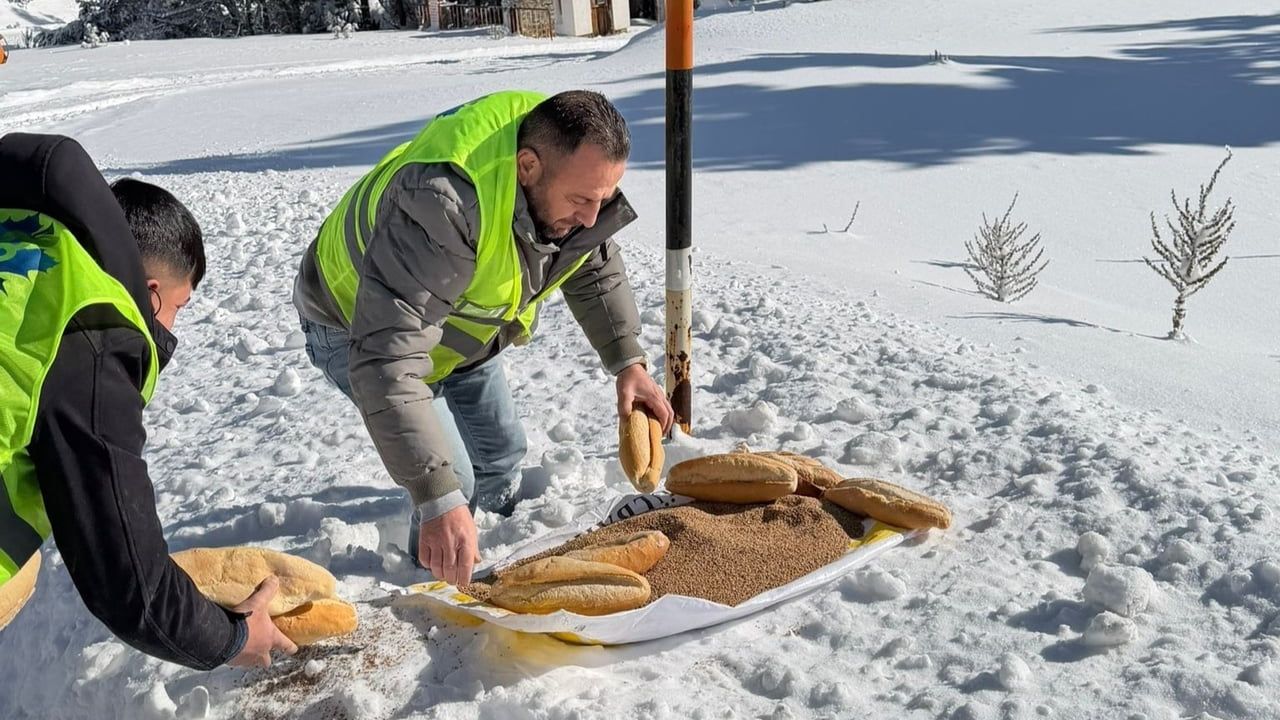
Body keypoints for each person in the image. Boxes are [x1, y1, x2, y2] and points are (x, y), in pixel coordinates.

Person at [292, 89, 675, 587]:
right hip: (352, 322)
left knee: (501, 454)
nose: (591, 217)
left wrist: (629, 363)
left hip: (458, 322)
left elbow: (590, 259)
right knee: (452, 481)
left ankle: (489, 533)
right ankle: (431, 577)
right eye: (582, 200)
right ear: (527, 167)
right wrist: (438, 497)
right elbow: (387, 360)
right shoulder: (441, 205)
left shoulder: (565, 163)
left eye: (603, 199)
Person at [0, 132, 296, 669]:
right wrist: (232, 639)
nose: (171, 328)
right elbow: (129, 580)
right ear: (151, 294)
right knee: (14, 574)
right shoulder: (91, 326)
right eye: (178, 308)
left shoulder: (20, 246)